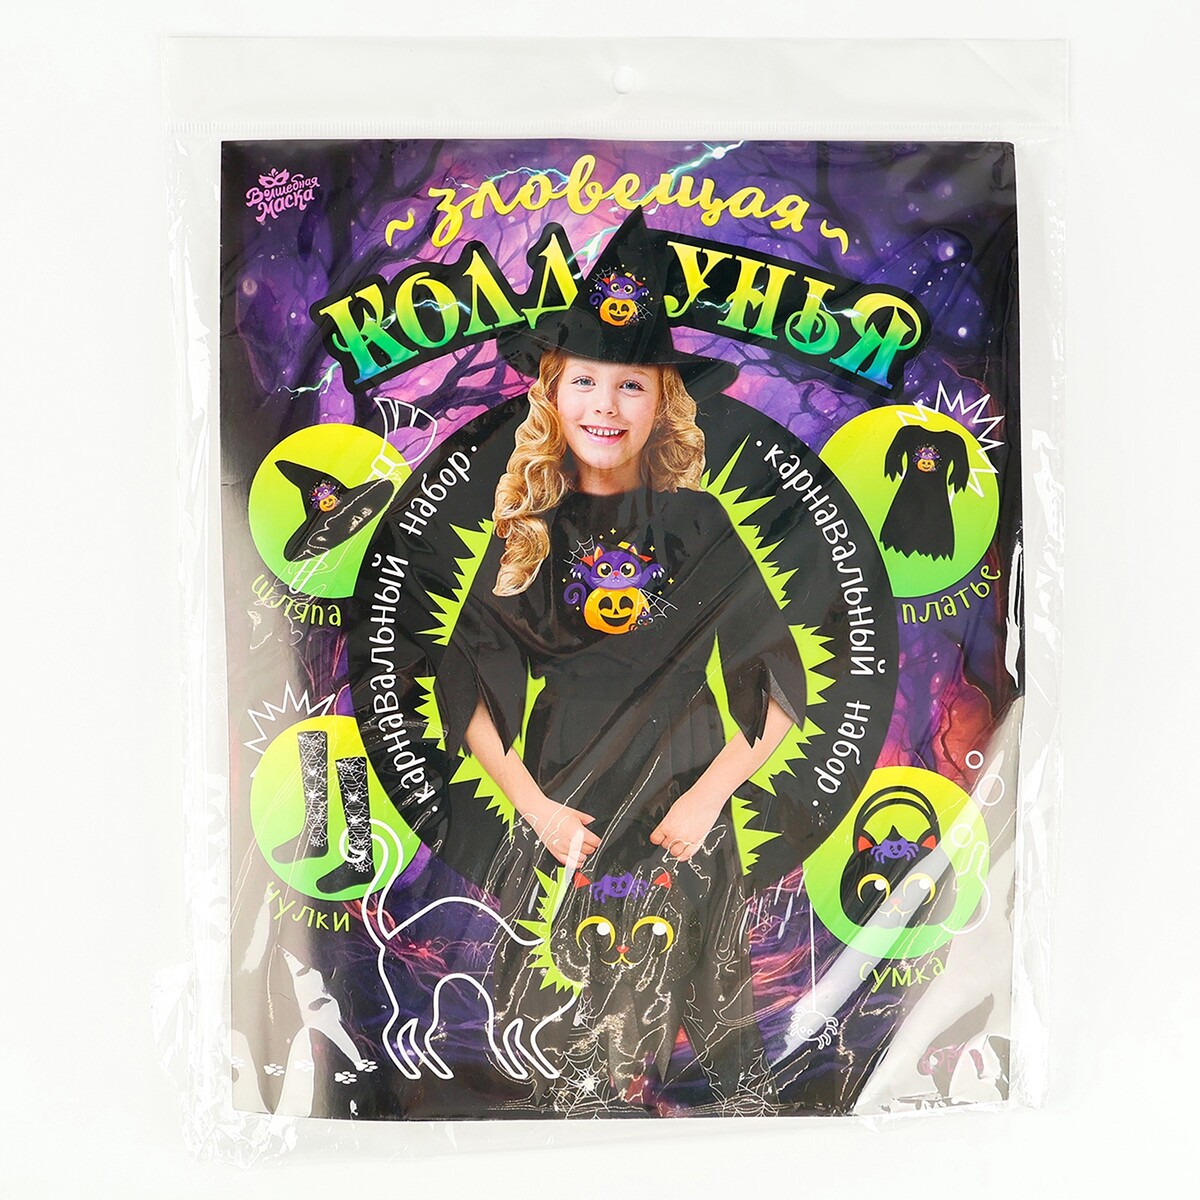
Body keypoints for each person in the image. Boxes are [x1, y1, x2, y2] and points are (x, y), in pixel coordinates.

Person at [432, 209, 811, 1109]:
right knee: (570, 1020)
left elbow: (777, 684)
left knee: (713, 1000)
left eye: (631, 385)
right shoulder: (527, 533)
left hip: (687, 795)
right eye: (586, 382)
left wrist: (708, 797)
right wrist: (537, 812)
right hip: (569, 808)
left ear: (662, 402)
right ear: (553, 397)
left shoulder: (699, 524)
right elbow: (469, 686)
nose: (605, 406)